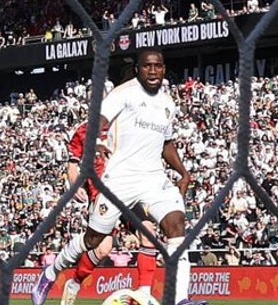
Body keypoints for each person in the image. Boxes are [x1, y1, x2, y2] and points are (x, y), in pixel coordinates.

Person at [32, 48, 199, 305]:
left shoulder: (168, 104)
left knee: (176, 226)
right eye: (147, 66)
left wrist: (183, 172)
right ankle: (52, 272)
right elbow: (99, 118)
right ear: (137, 70)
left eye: (158, 66)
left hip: (153, 179)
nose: (153, 71)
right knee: (95, 240)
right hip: (119, 180)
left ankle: (180, 299)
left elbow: (166, 143)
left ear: (164, 69)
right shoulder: (123, 94)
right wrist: (97, 140)